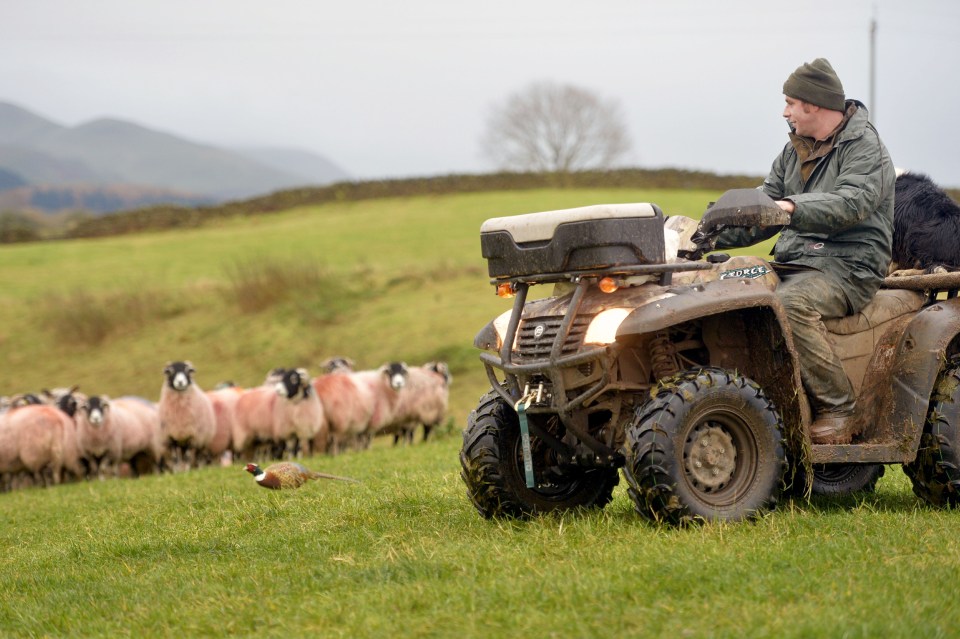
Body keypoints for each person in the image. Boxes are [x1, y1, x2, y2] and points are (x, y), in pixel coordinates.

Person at [713, 58, 895, 444]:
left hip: (850, 267)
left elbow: (851, 203)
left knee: (790, 303)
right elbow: (763, 210)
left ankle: (841, 408)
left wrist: (791, 207)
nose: (785, 111)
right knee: (725, 282)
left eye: (790, 102)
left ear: (812, 104)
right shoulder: (792, 151)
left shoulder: (867, 149)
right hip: (796, 260)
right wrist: (704, 234)